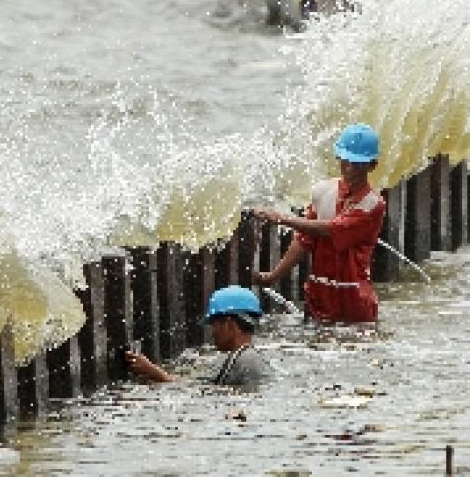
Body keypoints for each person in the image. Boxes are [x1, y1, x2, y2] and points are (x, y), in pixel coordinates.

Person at [251, 123, 386, 323]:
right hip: (319, 297)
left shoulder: (373, 205)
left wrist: (281, 218)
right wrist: (273, 276)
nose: (349, 168)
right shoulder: (323, 192)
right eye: (345, 161)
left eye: (357, 164)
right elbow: (305, 241)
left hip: (354, 303)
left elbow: (330, 229)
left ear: (371, 165)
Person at [125, 285, 270, 388]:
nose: (213, 333)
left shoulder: (237, 359)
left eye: (214, 324)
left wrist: (157, 373)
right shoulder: (252, 357)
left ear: (229, 324)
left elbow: (196, 391)